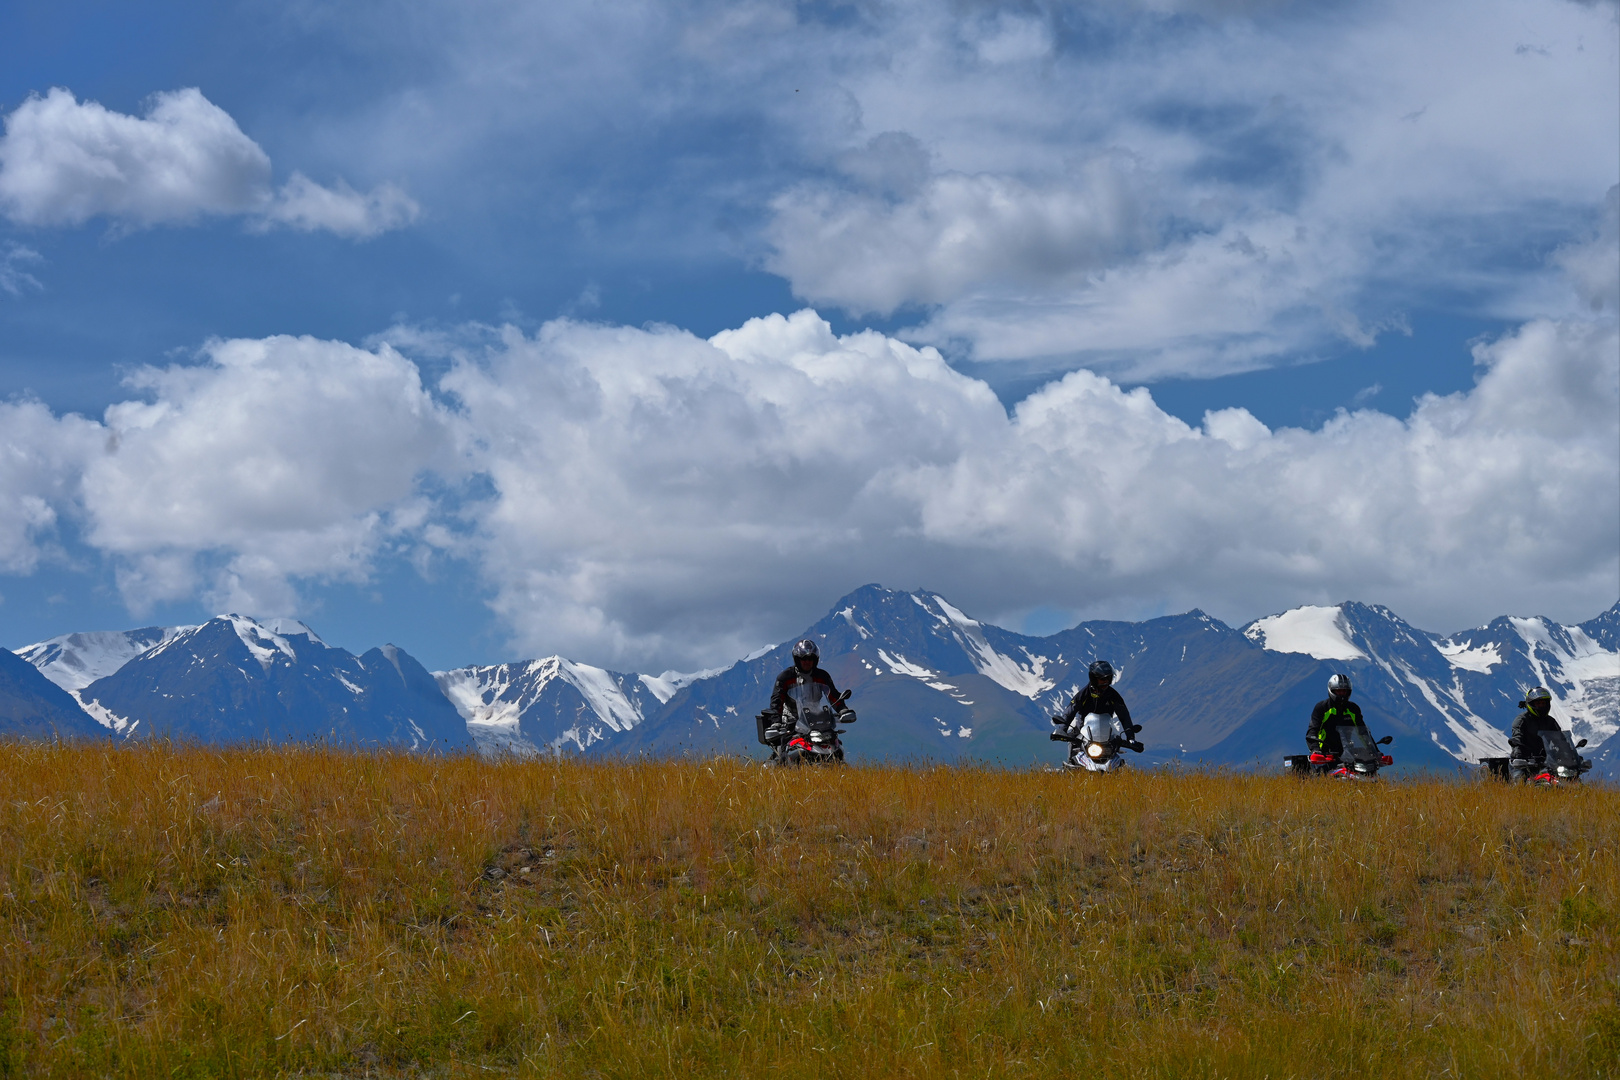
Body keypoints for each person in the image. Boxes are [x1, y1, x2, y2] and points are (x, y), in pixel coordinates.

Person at [764, 638, 854, 743]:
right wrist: (776, 722)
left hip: (818, 720)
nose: (807, 662)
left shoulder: (822, 676)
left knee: (835, 743)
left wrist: (842, 710)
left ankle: (837, 759)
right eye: (804, 659)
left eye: (810, 659)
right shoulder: (785, 677)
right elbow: (777, 700)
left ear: (815, 660)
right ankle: (781, 758)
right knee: (786, 745)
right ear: (797, 659)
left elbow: (833, 695)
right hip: (792, 721)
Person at [1052, 661, 1140, 758]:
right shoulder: (1083, 694)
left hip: (1107, 735)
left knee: (1117, 758)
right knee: (1073, 752)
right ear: (1094, 678)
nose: (1106, 682)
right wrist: (1062, 730)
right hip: (1083, 733)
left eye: (1108, 678)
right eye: (1102, 679)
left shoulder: (1114, 696)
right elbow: (1069, 712)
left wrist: (1130, 737)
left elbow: (1124, 716)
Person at [1304, 673, 1368, 762]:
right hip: (1325, 755)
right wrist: (1315, 750)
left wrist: (1375, 752)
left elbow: (1363, 732)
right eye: (1339, 691)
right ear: (1332, 690)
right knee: (1324, 774)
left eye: (1344, 691)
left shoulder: (1353, 709)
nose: (1342, 694)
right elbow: (1312, 731)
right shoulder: (1322, 708)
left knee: (1368, 771)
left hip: (1349, 754)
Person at [1508, 687, 1563, 782]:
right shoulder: (1521, 720)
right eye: (1538, 703)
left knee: (1564, 779)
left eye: (1543, 703)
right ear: (1531, 704)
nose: (1541, 706)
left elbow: (1560, 740)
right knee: (1519, 780)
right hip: (1524, 762)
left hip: (1546, 762)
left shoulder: (1550, 721)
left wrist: (1568, 754)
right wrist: (1518, 753)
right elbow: (1517, 737)